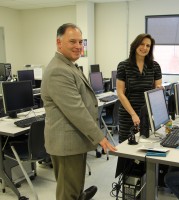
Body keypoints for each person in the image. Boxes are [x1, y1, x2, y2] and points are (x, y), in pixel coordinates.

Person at [41, 23, 116, 200]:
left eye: (80, 42)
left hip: (74, 140)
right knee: (68, 193)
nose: (78, 46)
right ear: (59, 43)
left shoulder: (70, 65)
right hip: (66, 143)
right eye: (72, 41)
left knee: (75, 188)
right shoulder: (58, 70)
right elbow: (76, 110)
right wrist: (100, 137)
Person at [115, 33, 162, 178]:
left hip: (147, 113)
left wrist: (160, 89)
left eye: (148, 45)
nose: (145, 48)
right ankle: (126, 182)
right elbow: (120, 93)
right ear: (135, 45)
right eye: (142, 44)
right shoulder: (124, 66)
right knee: (127, 150)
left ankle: (143, 182)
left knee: (144, 148)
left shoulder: (154, 66)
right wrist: (133, 114)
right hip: (128, 114)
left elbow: (157, 87)